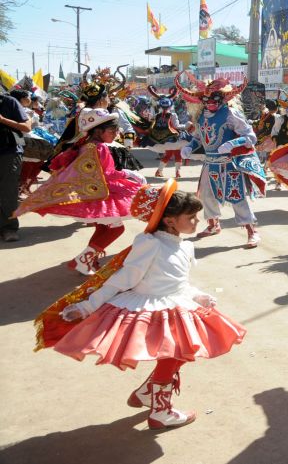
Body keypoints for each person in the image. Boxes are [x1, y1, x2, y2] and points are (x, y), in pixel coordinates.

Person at [36, 180, 246, 429]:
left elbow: (177, 283)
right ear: (169, 220)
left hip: (177, 304)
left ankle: (149, 392)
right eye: (191, 217)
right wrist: (88, 306)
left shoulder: (184, 246)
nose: (197, 222)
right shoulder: (151, 244)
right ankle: (160, 411)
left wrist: (197, 295)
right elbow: (121, 280)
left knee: (182, 353)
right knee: (174, 354)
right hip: (152, 309)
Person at [15, 83, 147, 274]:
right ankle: (83, 260)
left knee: (103, 228)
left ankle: (88, 259)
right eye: (112, 131)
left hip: (94, 192)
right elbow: (107, 174)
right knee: (116, 229)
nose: (116, 133)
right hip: (103, 193)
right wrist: (129, 174)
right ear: (98, 131)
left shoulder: (87, 145)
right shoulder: (99, 148)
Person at [176, 72, 266, 248]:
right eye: (207, 100)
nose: (210, 103)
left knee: (237, 197)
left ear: (222, 98)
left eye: (214, 99)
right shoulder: (201, 116)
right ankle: (213, 225)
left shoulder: (230, 113)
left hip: (229, 163)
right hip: (210, 164)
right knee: (207, 197)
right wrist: (189, 147)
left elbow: (250, 136)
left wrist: (233, 143)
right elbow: (198, 138)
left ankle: (252, 231)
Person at [0, 89, 32, 242]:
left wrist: (3, 120)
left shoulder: (9, 102)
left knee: (8, 192)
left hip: (8, 153)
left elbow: (27, 127)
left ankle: (9, 228)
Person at [139, 86, 185, 178]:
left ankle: (160, 171)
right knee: (177, 154)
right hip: (174, 138)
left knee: (168, 154)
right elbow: (177, 126)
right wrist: (187, 125)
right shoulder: (173, 114)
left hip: (163, 140)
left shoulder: (157, 115)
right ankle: (177, 172)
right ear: (171, 105)